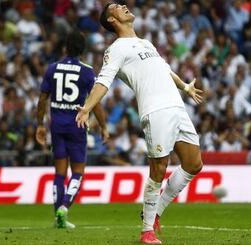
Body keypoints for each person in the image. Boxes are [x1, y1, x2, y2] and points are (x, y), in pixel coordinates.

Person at [75, 3, 204, 244]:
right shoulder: (115, 49)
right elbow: (103, 81)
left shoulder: (146, 43)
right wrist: (88, 107)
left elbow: (165, 70)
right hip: (155, 112)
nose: (124, 6)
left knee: (194, 164)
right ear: (112, 20)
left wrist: (185, 87)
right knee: (158, 170)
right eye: (116, 7)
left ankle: (153, 212)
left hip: (177, 107)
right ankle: (147, 231)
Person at [36, 30, 108, 229]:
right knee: (78, 172)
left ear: (65, 48)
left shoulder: (52, 68)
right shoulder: (86, 71)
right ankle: (65, 208)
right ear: (83, 50)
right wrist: (103, 127)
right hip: (77, 126)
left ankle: (57, 215)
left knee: (59, 172)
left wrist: (40, 125)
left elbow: (42, 99)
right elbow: (96, 103)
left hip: (56, 126)